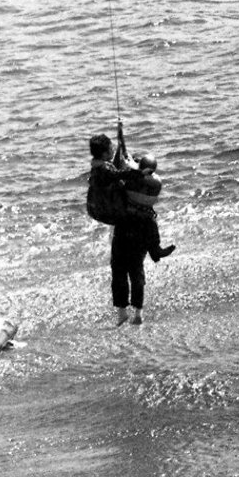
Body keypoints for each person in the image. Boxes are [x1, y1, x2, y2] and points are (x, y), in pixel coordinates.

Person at [88, 119, 175, 327]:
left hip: (122, 224)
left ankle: (123, 313)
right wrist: (138, 172)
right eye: (110, 148)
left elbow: (120, 160)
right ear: (104, 153)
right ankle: (137, 312)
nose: (113, 151)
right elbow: (121, 169)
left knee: (119, 268)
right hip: (132, 224)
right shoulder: (110, 172)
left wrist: (120, 136)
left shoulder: (101, 169)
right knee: (134, 269)